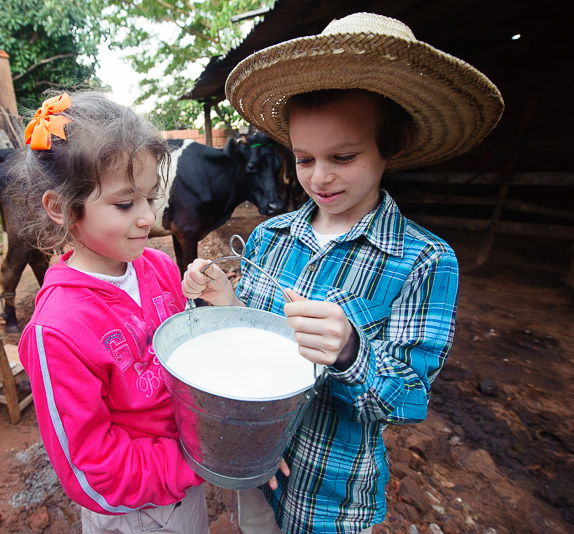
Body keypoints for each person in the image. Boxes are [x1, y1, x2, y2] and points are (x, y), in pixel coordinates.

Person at [183, 12, 503, 534]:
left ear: (393, 145)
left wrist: (351, 351)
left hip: (328, 492)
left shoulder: (423, 260)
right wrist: (223, 303)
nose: (320, 177)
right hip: (257, 462)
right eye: (304, 159)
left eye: (344, 156)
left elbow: (408, 398)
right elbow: (252, 341)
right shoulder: (270, 236)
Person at [16, 91, 209, 534]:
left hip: (186, 480)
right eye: (125, 204)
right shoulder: (57, 331)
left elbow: (183, 359)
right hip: (134, 512)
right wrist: (197, 462)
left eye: (150, 198)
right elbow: (92, 468)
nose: (147, 218)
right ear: (62, 208)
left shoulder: (158, 266)